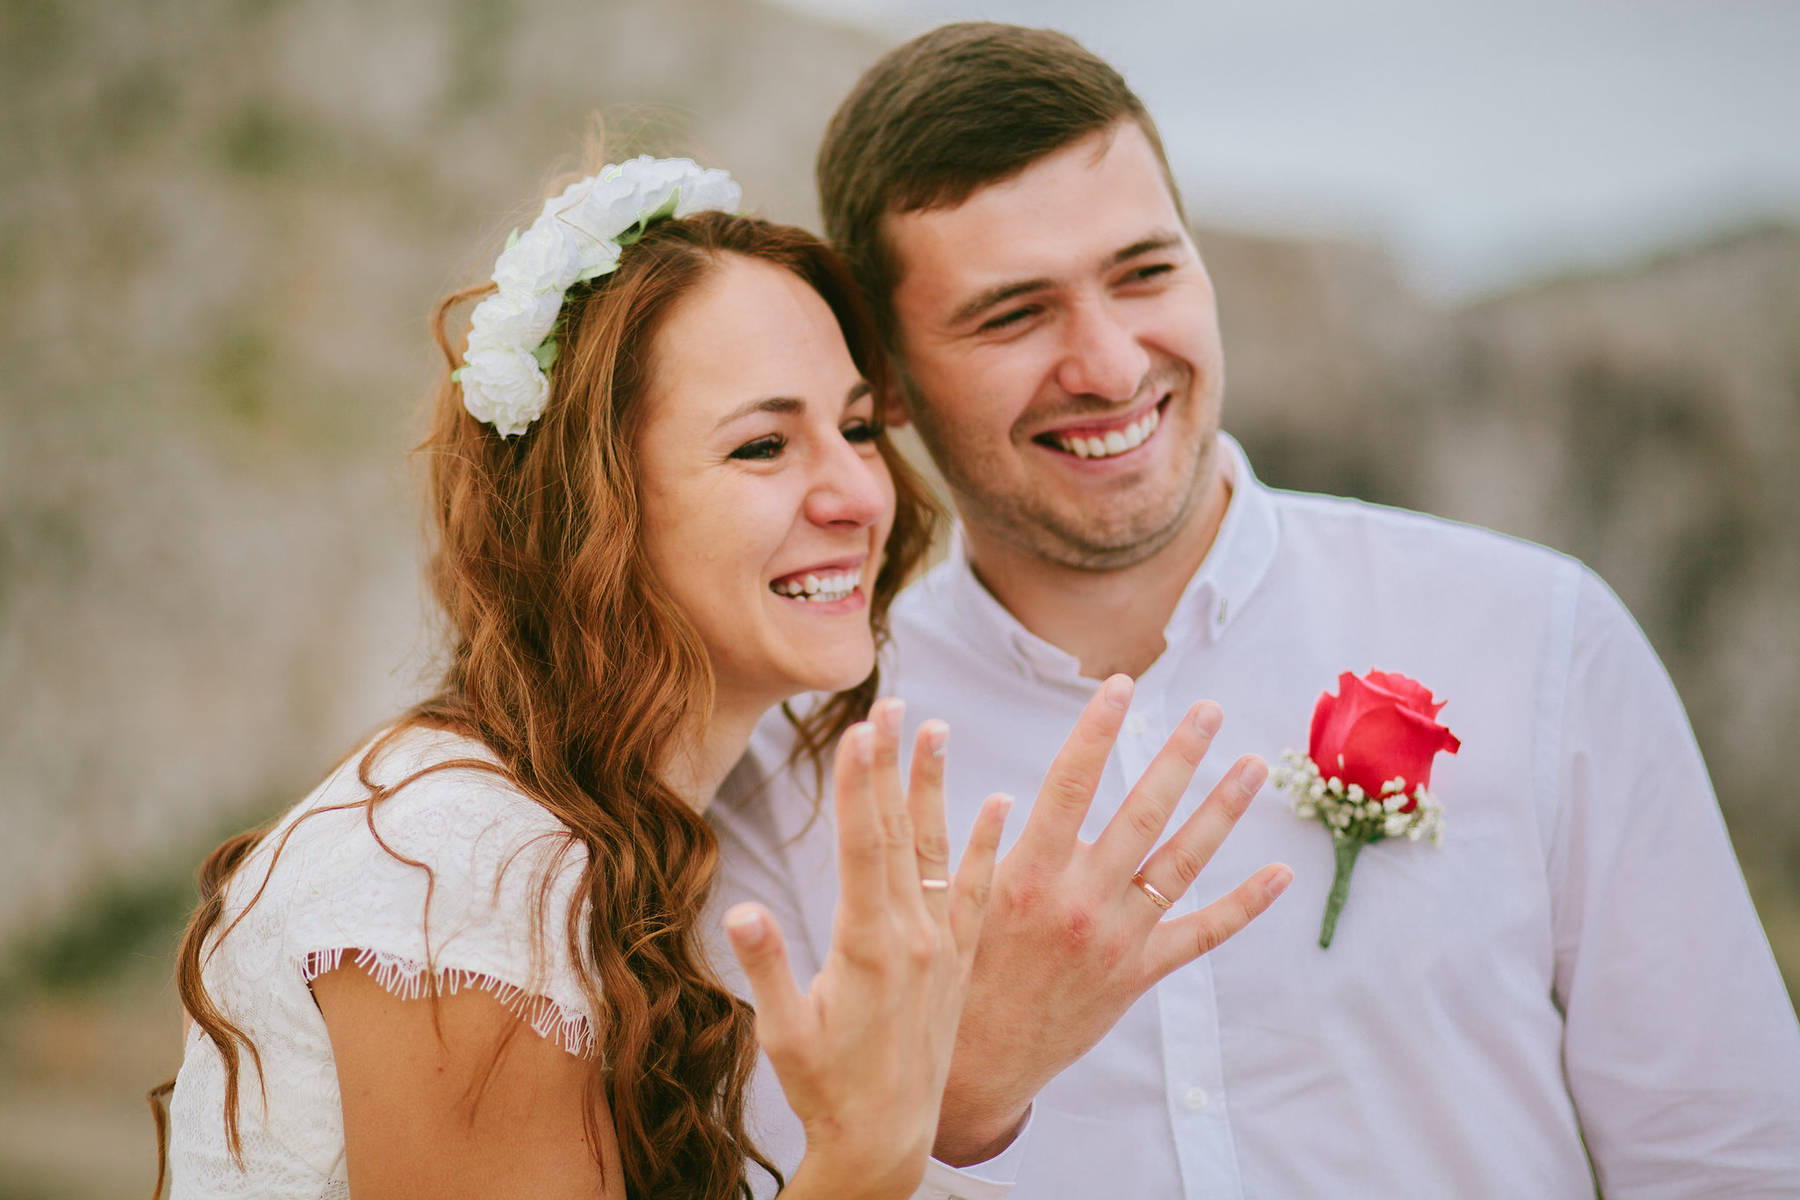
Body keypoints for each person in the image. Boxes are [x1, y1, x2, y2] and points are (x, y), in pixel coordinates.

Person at [709, 23, 1800, 1199]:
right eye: (1013, 315)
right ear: (892, 384)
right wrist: (957, 1095)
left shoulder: (1539, 637)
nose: (1112, 364)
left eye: (1146, 272)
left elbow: (1726, 1154)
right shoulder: (798, 761)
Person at [157, 155, 1030, 1200]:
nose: (858, 492)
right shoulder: (461, 875)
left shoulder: (630, 830)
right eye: (762, 445)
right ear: (598, 510)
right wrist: (864, 1160)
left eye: (853, 428)